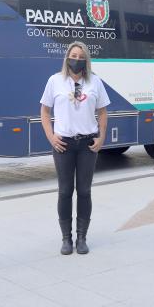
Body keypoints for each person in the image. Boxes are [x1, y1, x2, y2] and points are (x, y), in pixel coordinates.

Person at [40, 42, 109, 255]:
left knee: (85, 191)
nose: (76, 59)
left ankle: (81, 238)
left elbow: (103, 112)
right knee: (65, 191)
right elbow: (44, 111)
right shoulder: (55, 81)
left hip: (87, 144)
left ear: (86, 60)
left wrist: (101, 137)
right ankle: (66, 239)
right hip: (64, 144)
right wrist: (51, 136)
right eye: (73, 55)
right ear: (67, 58)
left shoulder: (95, 82)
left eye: (81, 56)